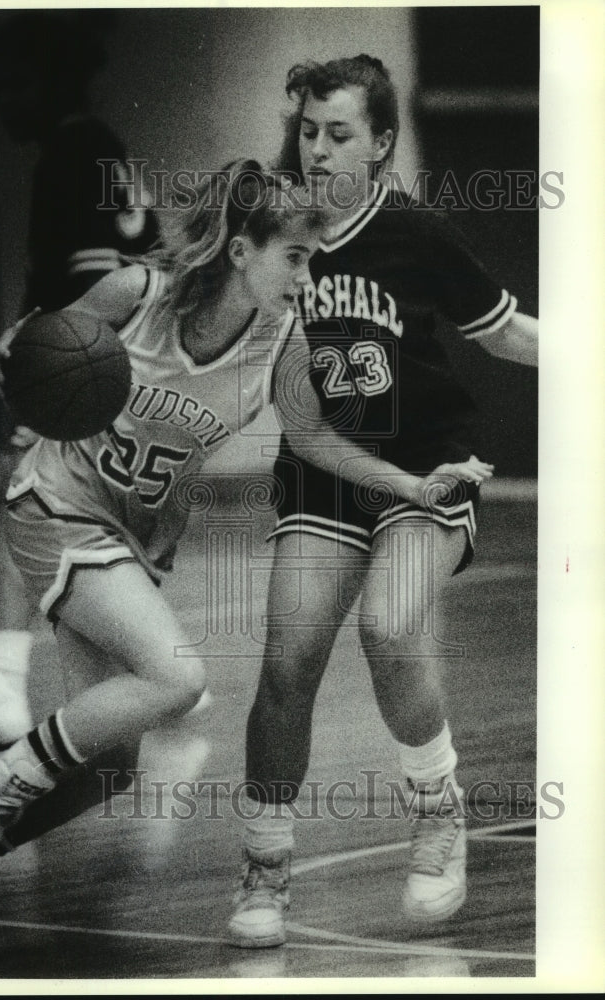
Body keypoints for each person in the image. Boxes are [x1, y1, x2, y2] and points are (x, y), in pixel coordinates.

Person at [0, 161, 325, 963]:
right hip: (54, 508)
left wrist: (411, 487)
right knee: (178, 680)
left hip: (126, 540)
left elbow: (298, 447)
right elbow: (35, 354)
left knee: (105, 770)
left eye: (312, 259)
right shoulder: (134, 296)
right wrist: (21, 354)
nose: (307, 276)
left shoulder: (284, 345)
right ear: (241, 250)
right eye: (296, 257)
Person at [226, 55, 539, 948]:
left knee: (392, 628)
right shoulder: (278, 229)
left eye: (339, 135)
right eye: (308, 131)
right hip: (323, 472)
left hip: (425, 468)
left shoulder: (415, 233)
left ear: (384, 144)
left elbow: (505, 330)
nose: (317, 150)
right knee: (287, 663)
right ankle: (264, 864)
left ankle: (439, 813)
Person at [0, 10, 160, 756]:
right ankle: (156, 672)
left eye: (17, 84)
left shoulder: (72, 152)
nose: (5, 101)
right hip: (132, 371)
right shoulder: (96, 148)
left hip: (90, 370)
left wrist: (36, 351)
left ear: (54, 81)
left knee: (25, 513)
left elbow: (97, 281)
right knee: (87, 523)